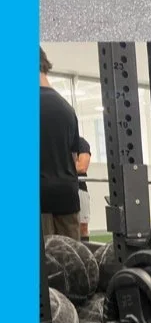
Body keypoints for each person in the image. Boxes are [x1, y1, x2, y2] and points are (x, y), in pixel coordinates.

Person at [39, 48, 82, 240]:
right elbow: (74, 159)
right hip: (68, 198)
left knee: (42, 265)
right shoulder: (67, 108)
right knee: (73, 263)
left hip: (40, 200)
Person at [73, 136, 92, 240]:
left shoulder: (80, 142)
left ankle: (84, 255)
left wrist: (61, 166)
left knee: (82, 227)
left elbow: (82, 167)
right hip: (62, 189)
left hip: (79, 189)